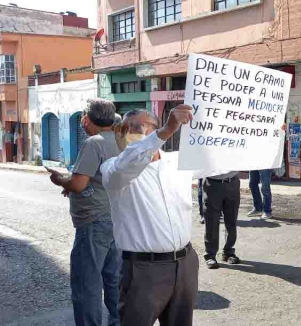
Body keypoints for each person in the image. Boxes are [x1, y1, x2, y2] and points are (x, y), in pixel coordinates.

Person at [101, 105, 215, 326]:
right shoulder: (113, 168)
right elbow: (129, 163)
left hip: (185, 264)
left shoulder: (177, 161)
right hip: (142, 271)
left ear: (153, 128)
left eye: (140, 126)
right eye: (125, 128)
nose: (131, 132)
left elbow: (220, 160)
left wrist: (271, 137)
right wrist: (164, 132)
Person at [47, 99, 121, 326]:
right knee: (114, 279)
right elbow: (97, 180)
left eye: (82, 117)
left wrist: (60, 180)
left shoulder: (94, 143)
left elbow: (78, 184)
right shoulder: (121, 141)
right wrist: (75, 185)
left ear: (87, 119)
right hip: (116, 218)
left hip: (94, 222)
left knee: (86, 282)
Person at [202, 170, 242, 269]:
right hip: (213, 183)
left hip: (233, 182)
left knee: (231, 219)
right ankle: (210, 255)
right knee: (212, 220)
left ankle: (228, 252)